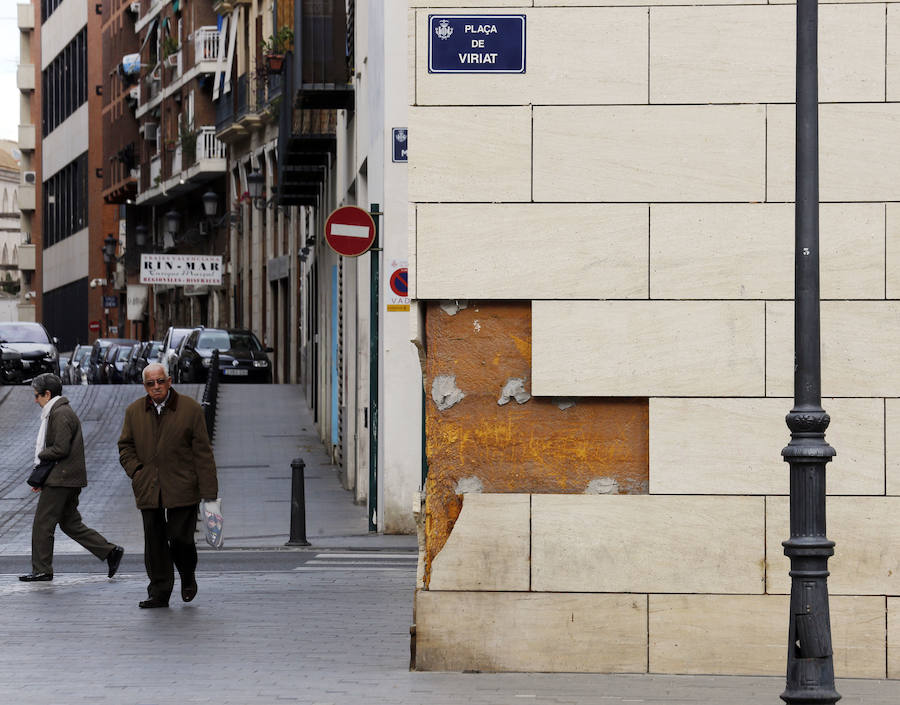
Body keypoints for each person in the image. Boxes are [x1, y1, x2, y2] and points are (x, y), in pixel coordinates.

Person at [118, 362, 218, 608]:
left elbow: (203, 453)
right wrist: (137, 471)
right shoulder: (134, 412)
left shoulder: (190, 410)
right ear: (145, 386)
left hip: (183, 485)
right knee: (154, 541)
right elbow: (125, 447)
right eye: (150, 383)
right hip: (148, 486)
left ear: (169, 381)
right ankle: (159, 592)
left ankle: (187, 575)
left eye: (160, 381)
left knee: (180, 538)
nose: (156, 387)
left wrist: (209, 493)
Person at [19, 373, 124, 582]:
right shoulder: (59, 411)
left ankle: (42, 569)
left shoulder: (60, 414)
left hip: (61, 479)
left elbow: (60, 448)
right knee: (70, 523)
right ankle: (110, 551)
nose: (35, 400)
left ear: (47, 394)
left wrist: (41, 455)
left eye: (37, 395)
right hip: (66, 478)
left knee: (43, 524)